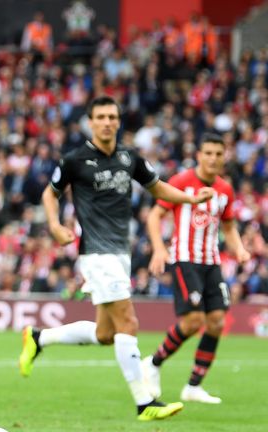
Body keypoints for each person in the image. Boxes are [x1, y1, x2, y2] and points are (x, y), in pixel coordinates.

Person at [18, 96, 214, 421]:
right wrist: (53, 225)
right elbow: (49, 194)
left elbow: (159, 188)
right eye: (101, 117)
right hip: (97, 253)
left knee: (106, 334)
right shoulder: (75, 160)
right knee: (129, 323)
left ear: (119, 121)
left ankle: (39, 337)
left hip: (120, 252)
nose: (108, 121)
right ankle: (144, 401)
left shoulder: (129, 157)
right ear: (91, 122)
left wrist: (191, 198)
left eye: (113, 116)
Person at [142, 133, 251, 404]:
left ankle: (193, 386)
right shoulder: (181, 182)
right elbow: (156, 215)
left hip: (212, 262)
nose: (213, 158)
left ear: (224, 156)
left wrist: (238, 248)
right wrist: (159, 248)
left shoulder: (225, 189)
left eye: (218, 153)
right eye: (208, 153)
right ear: (199, 155)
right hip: (185, 259)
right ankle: (153, 364)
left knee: (216, 322)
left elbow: (228, 225)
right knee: (193, 322)